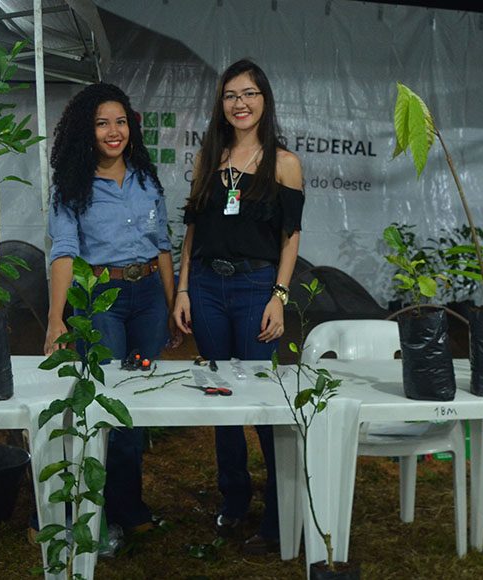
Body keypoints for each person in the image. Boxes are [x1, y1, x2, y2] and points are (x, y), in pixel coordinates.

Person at [173, 59, 304, 555]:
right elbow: (192, 231)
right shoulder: (209, 158)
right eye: (231, 95)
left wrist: (279, 297)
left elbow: (290, 238)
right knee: (220, 396)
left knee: (264, 401)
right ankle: (233, 497)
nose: (240, 103)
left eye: (249, 93)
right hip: (207, 288)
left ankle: (278, 514)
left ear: (264, 100)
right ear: (221, 104)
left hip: (255, 289)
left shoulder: (284, 163)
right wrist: (183, 289)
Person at [45, 83, 174, 536]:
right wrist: (56, 319)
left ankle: (127, 507)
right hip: (101, 300)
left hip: (150, 299)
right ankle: (90, 511)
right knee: (105, 401)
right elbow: (63, 252)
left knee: (136, 403)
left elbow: (163, 247)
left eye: (120, 122)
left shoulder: (146, 180)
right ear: (87, 130)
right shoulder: (71, 187)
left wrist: (171, 305)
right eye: (102, 123)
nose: (113, 131)